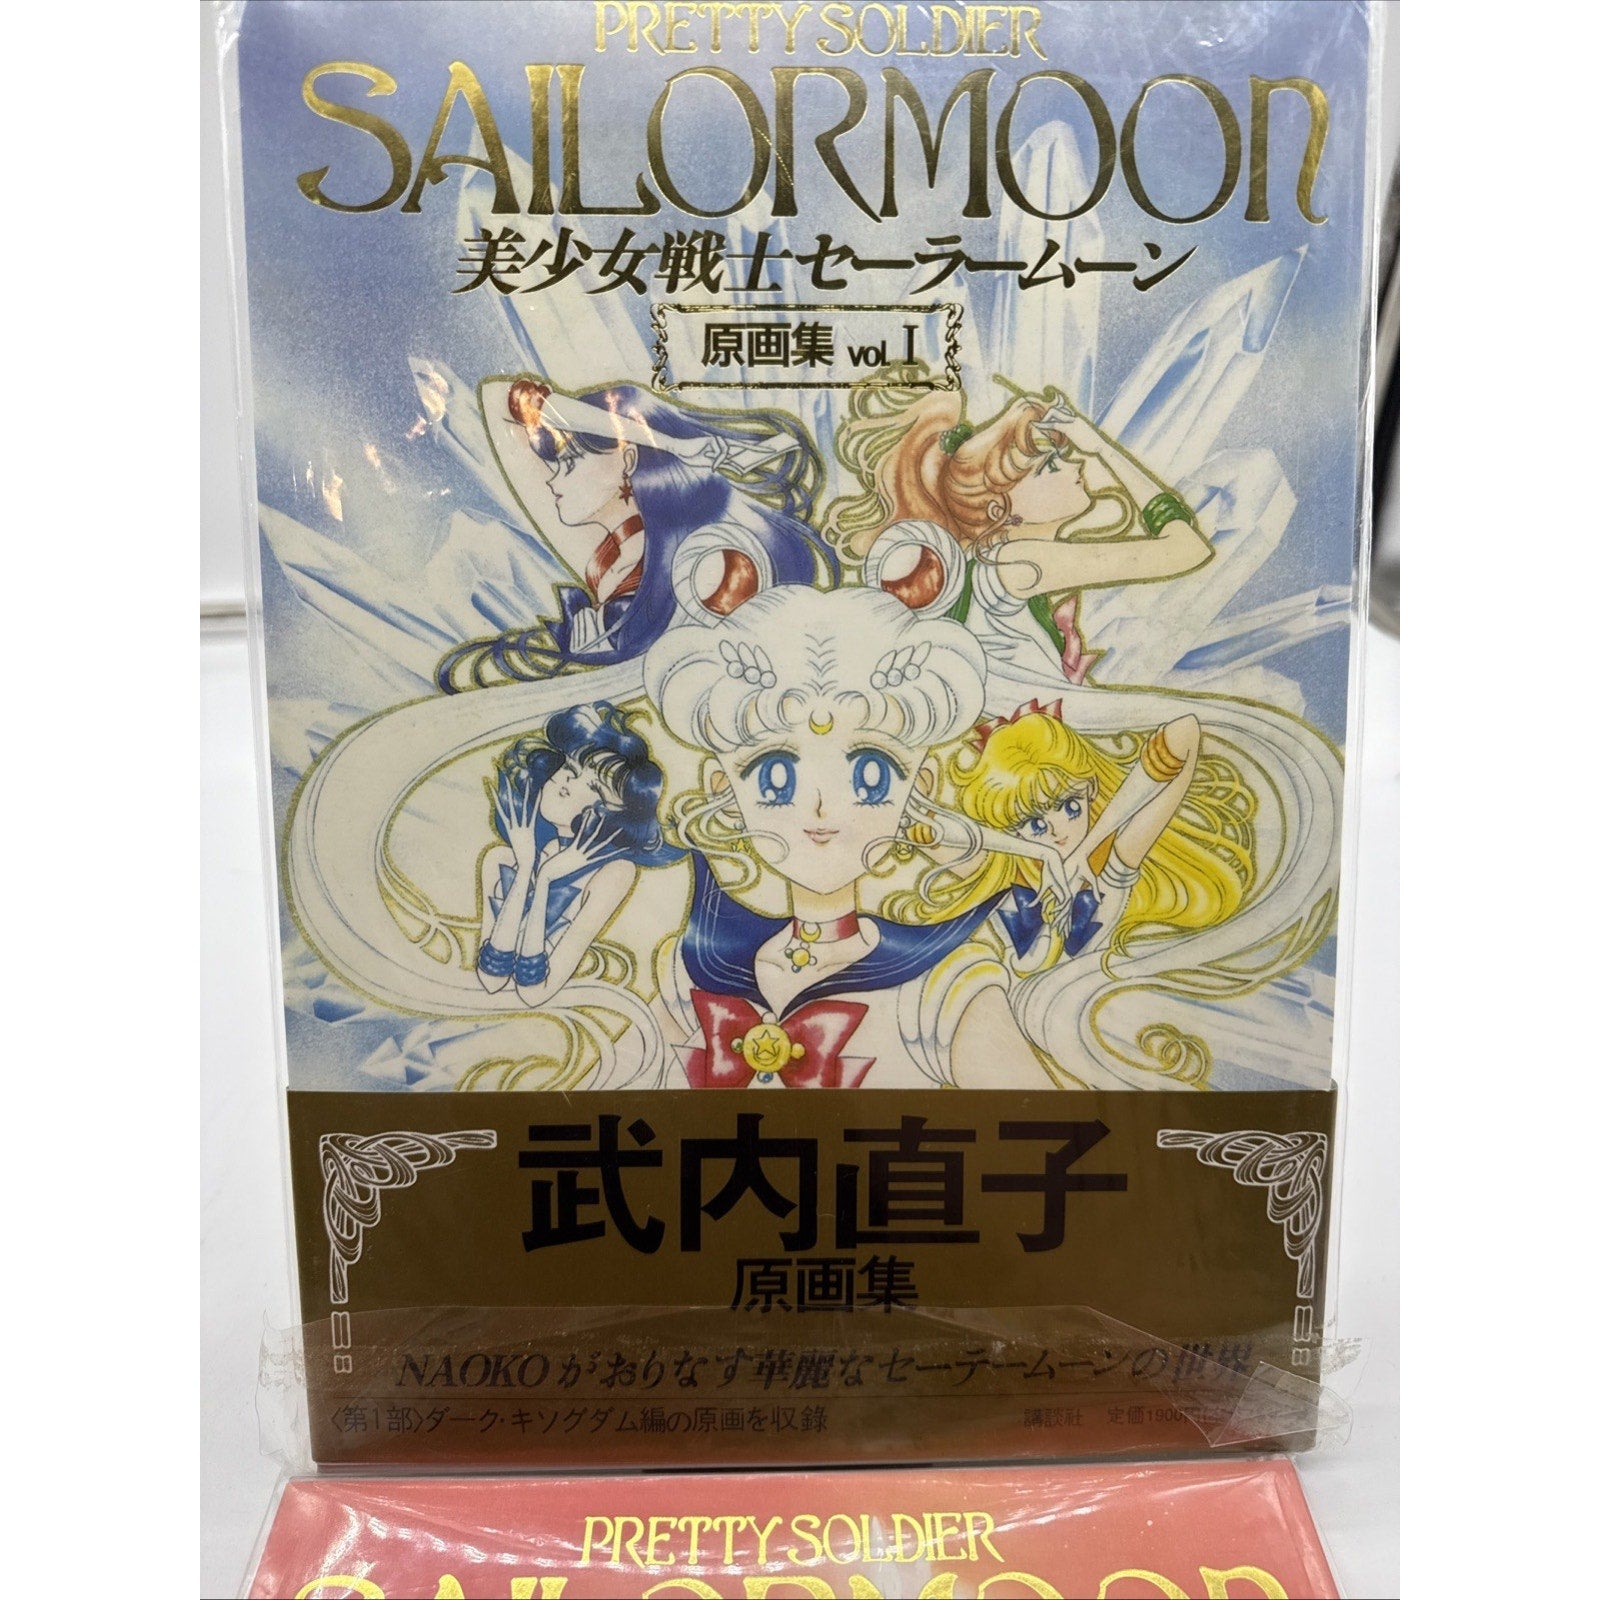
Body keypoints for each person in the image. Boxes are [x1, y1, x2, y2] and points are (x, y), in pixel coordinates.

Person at [642, 523, 1085, 1091]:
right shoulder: (693, 967)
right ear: (721, 788)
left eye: (870, 775)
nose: (821, 808)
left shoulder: (941, 989)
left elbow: (1053, 1129)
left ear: (920, 785)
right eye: (776, 776)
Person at [825, 364, 1212, 681]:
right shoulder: (1018, 563)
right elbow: (1188, 549)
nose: (1076, 465)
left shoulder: (999, 563)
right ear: (1001, 511)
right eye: (1050, 467)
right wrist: (1102, 448)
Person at [439, 379, 835, 687]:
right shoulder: (609, 558)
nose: (552, 480)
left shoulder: (703, 565)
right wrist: (666, 442)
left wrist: (663, 442)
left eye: (569, 463)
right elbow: (500, 399)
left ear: (628, 459)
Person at [897, 702, 1255, 971]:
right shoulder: (1000, 873)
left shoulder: (1113, 865)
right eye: (1035, 824)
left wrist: (1089, 845)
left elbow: (1185, 733)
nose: (1058, 830)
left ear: (1090, 792)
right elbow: (908, 822)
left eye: (1069, 806)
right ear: (1012, 829)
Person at [476, 703, 680, 1009]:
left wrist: (545, 880)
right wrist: (528, 868)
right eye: (570, 769)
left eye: (595, 788)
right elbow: (491, 981)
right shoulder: (501, 859)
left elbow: (534, 993)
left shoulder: (614, 873)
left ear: (614, 814)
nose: (567, 783)